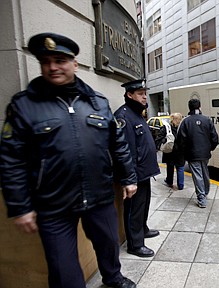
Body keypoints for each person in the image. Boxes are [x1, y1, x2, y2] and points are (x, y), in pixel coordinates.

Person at [0, 33, 137, 288]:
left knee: (108, 245)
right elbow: (11, 160)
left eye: (60, 60)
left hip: (99, 196)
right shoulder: (24, 105)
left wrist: (129, 178)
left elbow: (117, 143)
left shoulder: (97, 102)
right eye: (46, 61)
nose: (53, 67)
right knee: (63, 268)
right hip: (53, 204)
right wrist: (20, 206)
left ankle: (113, 277)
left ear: (74, 63)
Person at [115, 79, 161, 258]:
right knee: (134, 209)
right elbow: (125, 150)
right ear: (129, 94)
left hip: (144, 171)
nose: (144, 97)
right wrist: (130, 178)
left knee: (144, 205)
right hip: (135, 173)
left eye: (145, 93)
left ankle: (143, 229)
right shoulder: (123, 116)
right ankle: (135, 244)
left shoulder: (136, 114)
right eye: (141, 94)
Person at [176, 98, 218, 208]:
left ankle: (201, 198)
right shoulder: (207, 120)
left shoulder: (185, 121)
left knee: (197, 175)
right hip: (205, 153)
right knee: (205, 172)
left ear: (189, 107)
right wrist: (210, 148)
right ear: (200, 107)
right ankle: (206, 191)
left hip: (192, 153)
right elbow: (214, 137)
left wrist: (182, 153)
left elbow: (180, 140)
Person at [155, 112, 185, 190]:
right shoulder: (183, 127)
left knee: (170, 166)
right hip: (180, 151)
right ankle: (180, 185)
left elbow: (159, 138)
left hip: (169, 151)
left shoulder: (166, 127)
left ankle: (169, 181)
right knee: (180, 167)